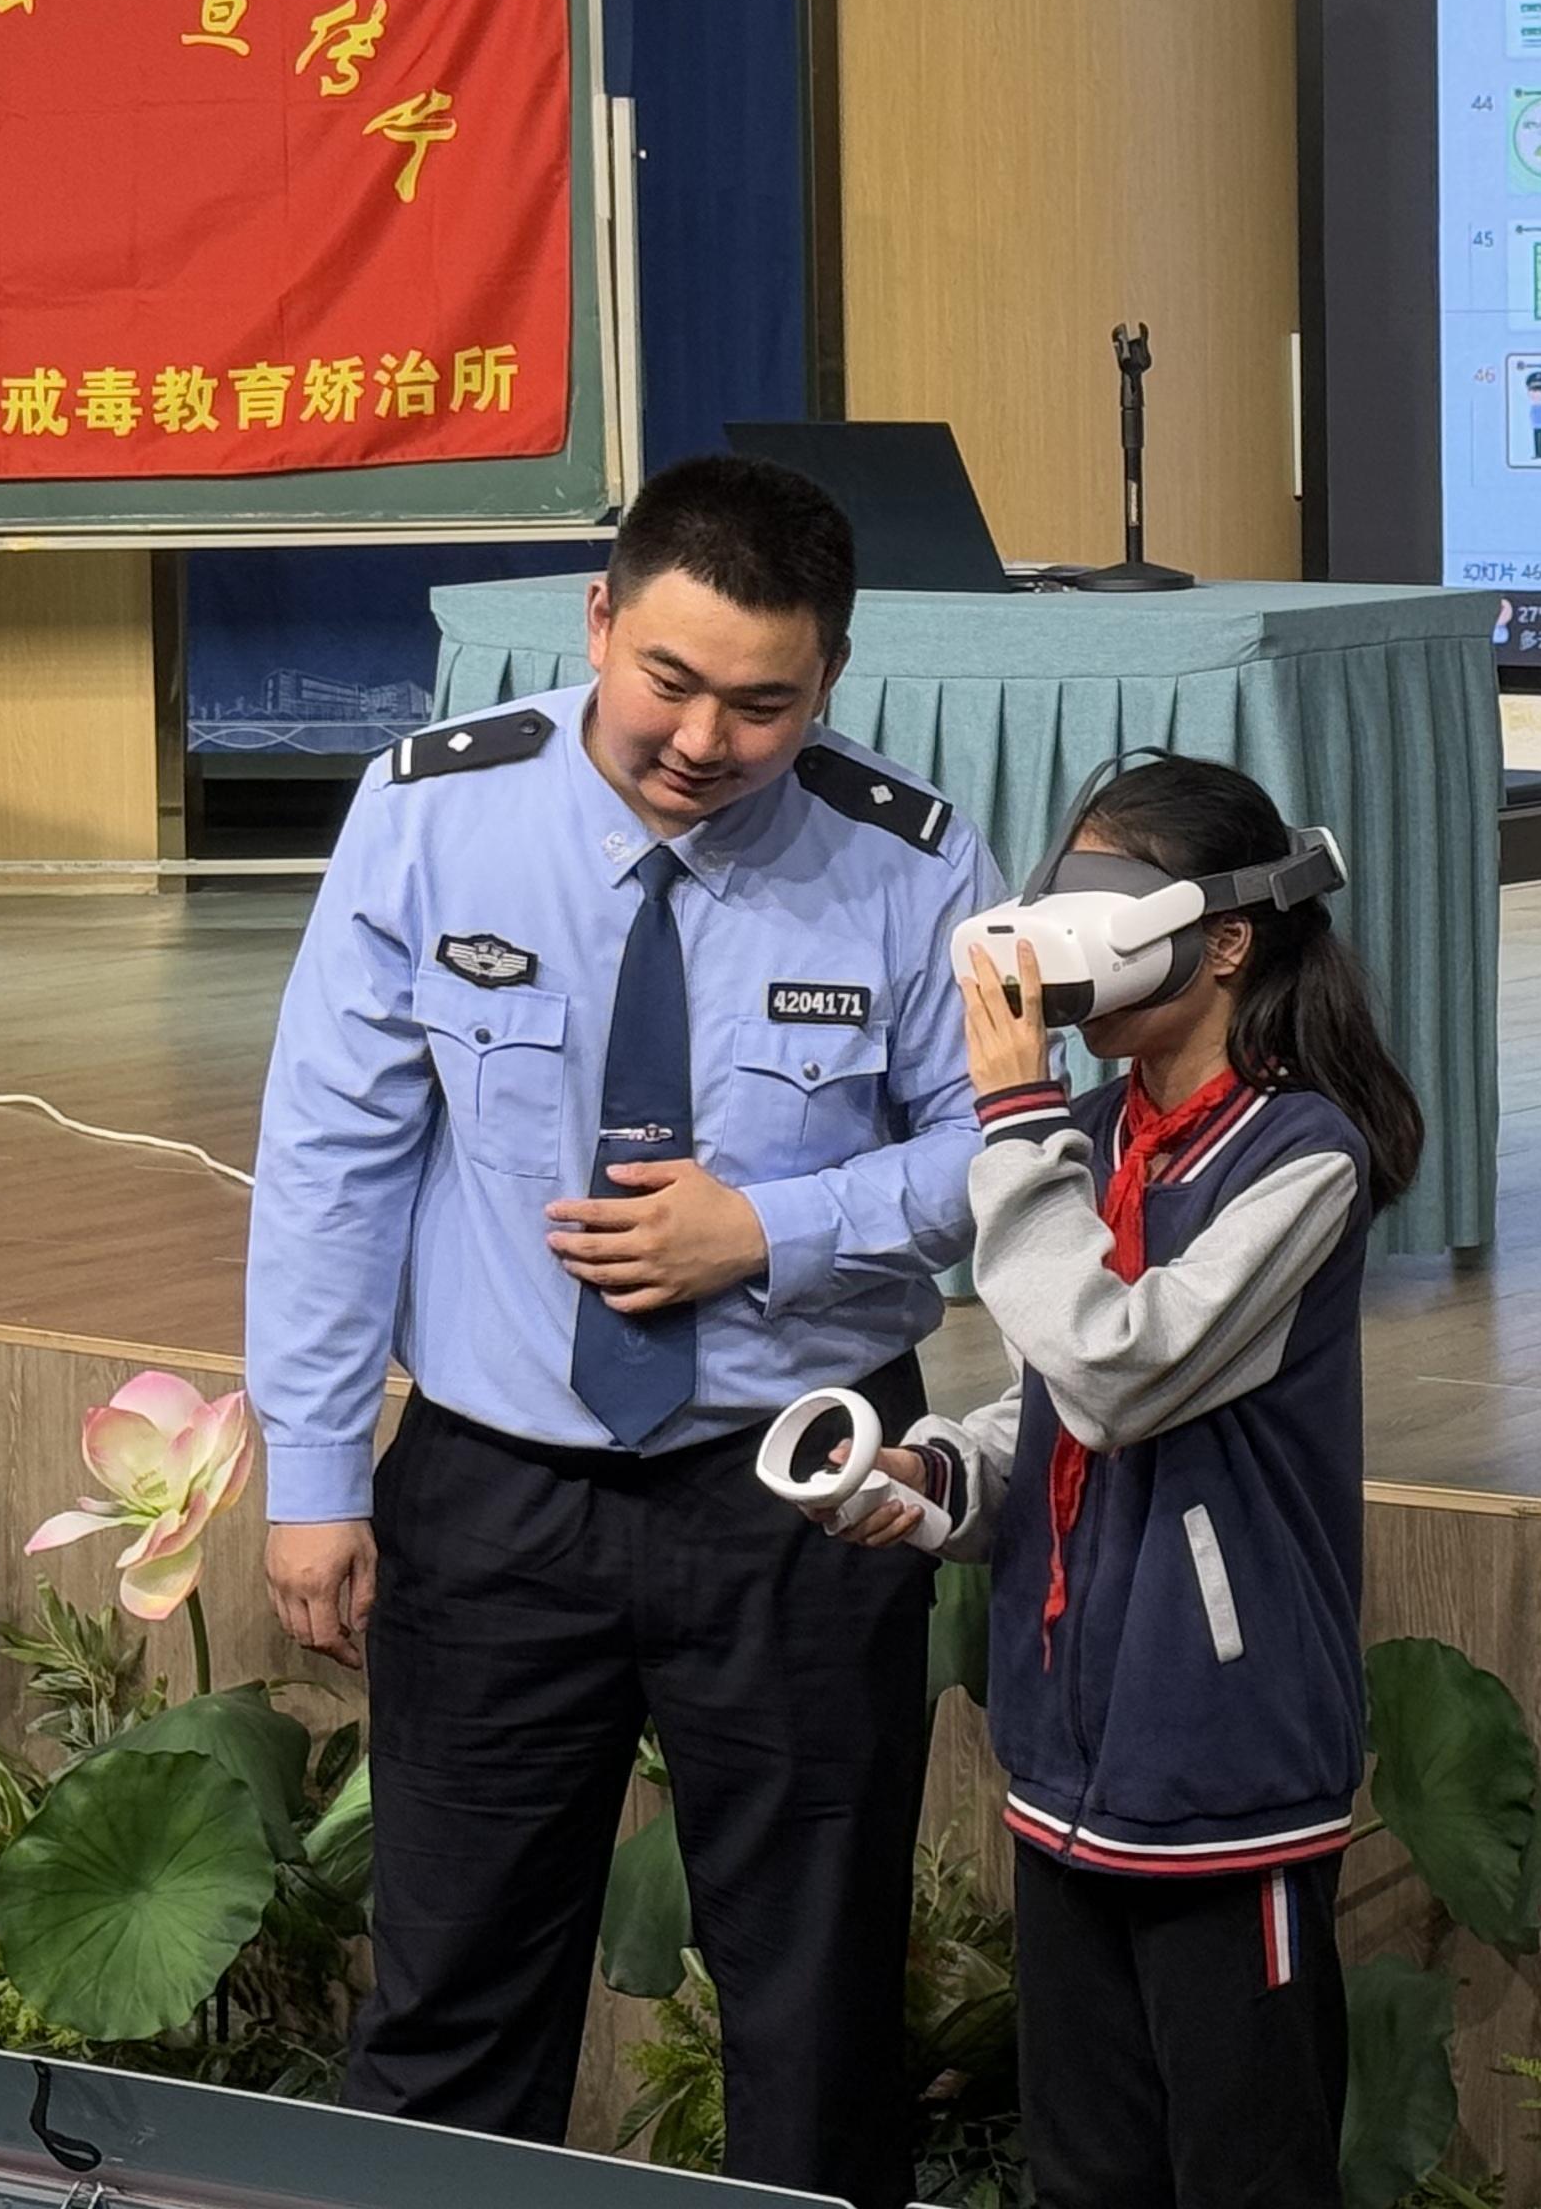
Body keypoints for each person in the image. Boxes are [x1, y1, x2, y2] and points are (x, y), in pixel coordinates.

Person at [244, 453, 997, 2209]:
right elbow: (333, 1158)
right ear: (598, 622)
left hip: (800, 1495)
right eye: (670, 680)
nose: (704, 741)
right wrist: (315, 1472)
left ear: (830, 678)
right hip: (497, 1496)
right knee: (450, 2001)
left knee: (814, 2014)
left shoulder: (906, 859)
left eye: (764, 705)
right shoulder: (434, 813)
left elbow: (1000, 1152)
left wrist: (770, 1229)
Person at [814, 755, 1425, 2209]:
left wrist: (1015, 1118)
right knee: (1085, 2177)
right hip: (1071, 1775)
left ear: (1224, 942)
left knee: (1246, 2178)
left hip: (1225, 1766)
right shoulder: (1084, 1140)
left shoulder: (1302, 1156)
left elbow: (1118, 1367)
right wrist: (938, 1474)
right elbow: (1055, 1407)